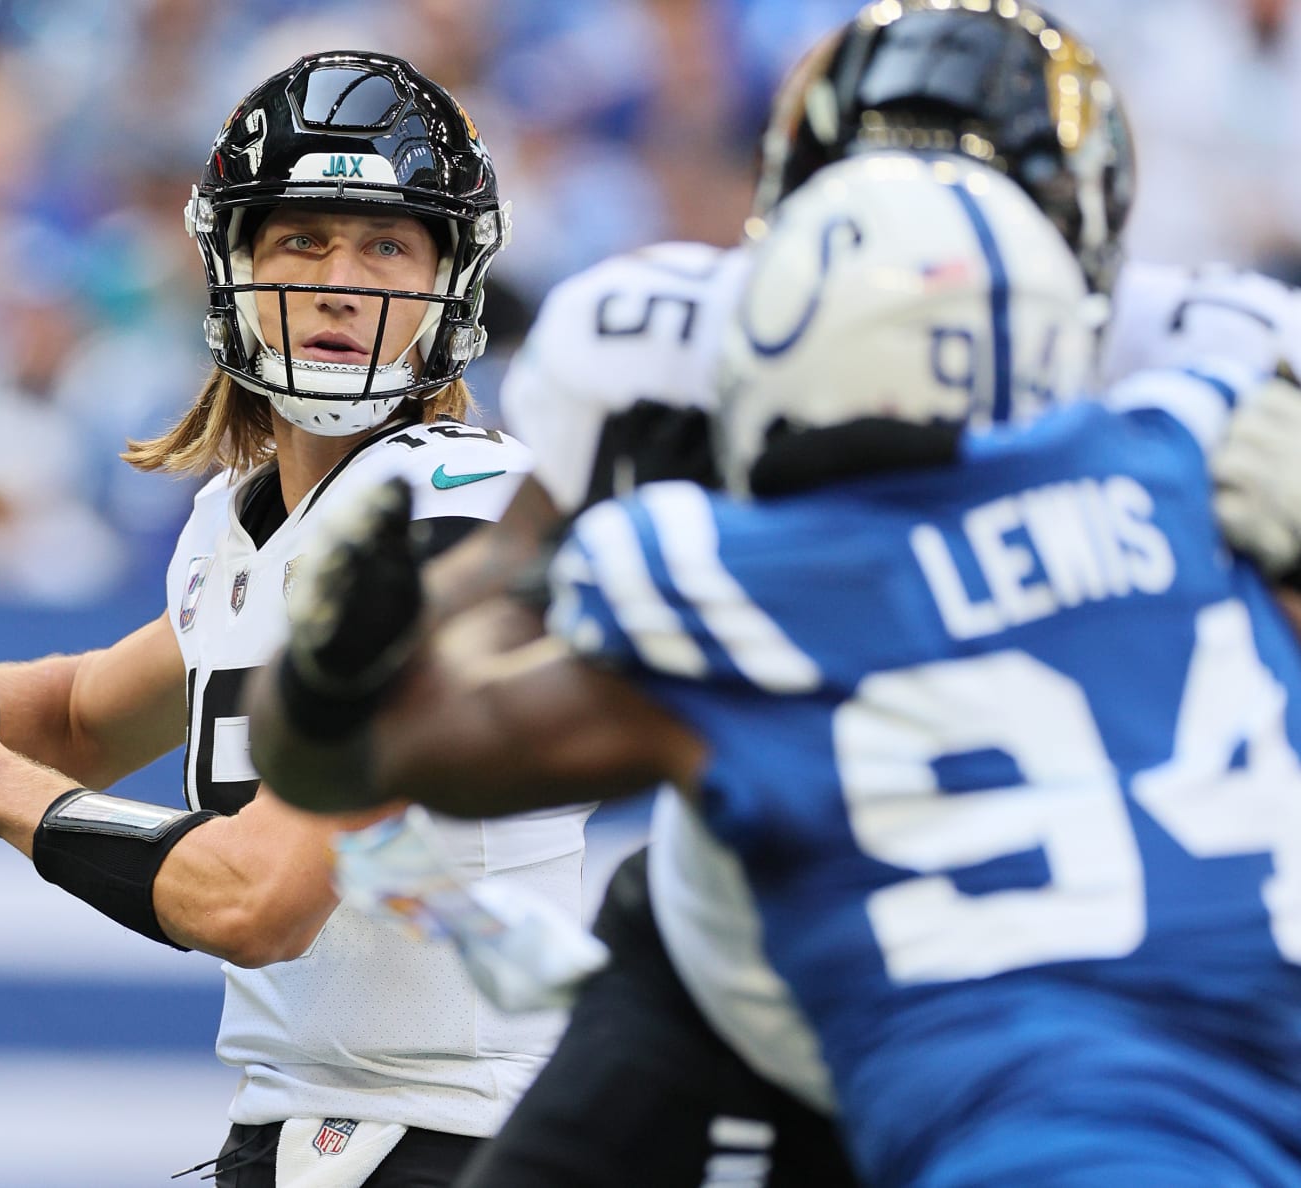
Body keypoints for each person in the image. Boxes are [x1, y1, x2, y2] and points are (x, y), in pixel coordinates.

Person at [376, 3, 1301, 1184]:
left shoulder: (1217, 372)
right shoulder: (651, 347)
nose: (912, 263)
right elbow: (471, 634)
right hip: (746, 955)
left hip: (1073, 989)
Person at [0, 51, 591, 1188]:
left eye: (387, 244)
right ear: (228, 267)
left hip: (468, 1138)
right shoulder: (243, 523)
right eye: (302, 239)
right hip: (327, 1130)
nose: (342, 281)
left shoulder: (456, 515)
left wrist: (5, 795)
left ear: (453, 283)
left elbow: (261, 897)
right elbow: (90, 709)